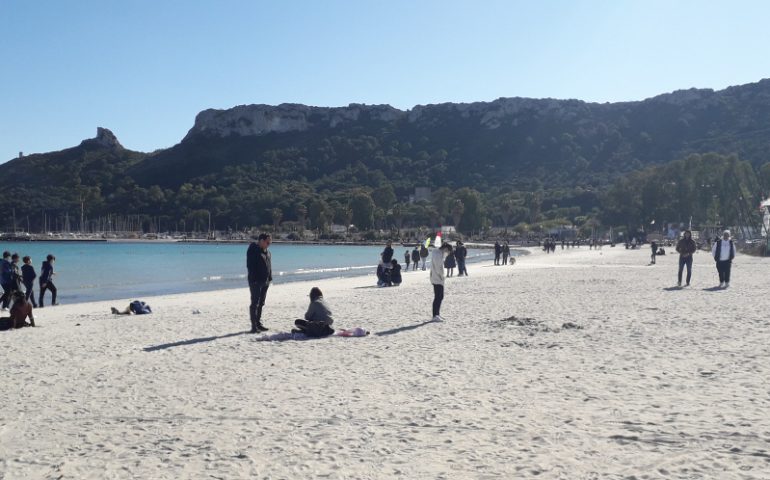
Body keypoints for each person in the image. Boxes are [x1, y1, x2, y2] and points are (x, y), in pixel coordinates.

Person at [247, 233, 272, 333]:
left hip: (265, 282)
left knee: (261, 303)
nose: (269, 243)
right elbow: (250, 266)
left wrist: (269, 278)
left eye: (270, 241)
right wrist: (254, 279)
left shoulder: (268, 252)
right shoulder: (253, 250)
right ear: (261, 241)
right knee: (255, 303)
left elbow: (269, 266)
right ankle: (254, 326)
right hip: (256, 281)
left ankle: (258, 323)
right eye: (267, 242)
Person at [430, 243, 451, 321]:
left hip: (437, 278)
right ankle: (435, 315)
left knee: (440, 296)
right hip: (437, 278)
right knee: (438, 297)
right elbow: (439, 268)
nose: (448, 254)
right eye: (448, 252)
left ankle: (437, 314)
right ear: (445, 249)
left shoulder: (438, 254)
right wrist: (442, 277)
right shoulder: (438, 255)